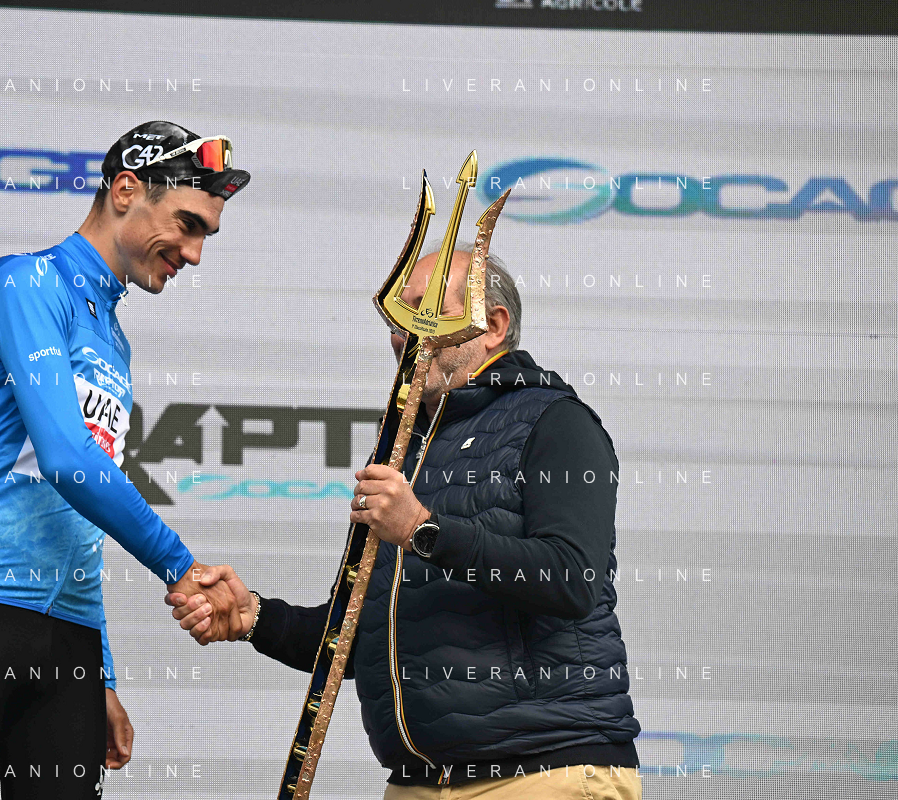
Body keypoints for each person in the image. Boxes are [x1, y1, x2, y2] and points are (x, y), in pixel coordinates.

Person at [168, 244, 643, 799]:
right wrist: (256, 616)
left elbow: (571, 578)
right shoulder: (404, 447)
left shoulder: (557, 421)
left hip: (543, 771)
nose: (405, 333)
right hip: (419, 781)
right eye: (398, 316)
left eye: (428, 311)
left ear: (493, 327)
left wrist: (424, 530)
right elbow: (360, 632)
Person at [0, 121, 251, 799]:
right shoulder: (25, 283)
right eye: (187, 224)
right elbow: (65, 459)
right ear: (126, 190)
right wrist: (179, 564)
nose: (195, 253)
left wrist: (101, 670)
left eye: (206, 234)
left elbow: (76, 515)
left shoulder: (112, 338)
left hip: (70, 634)